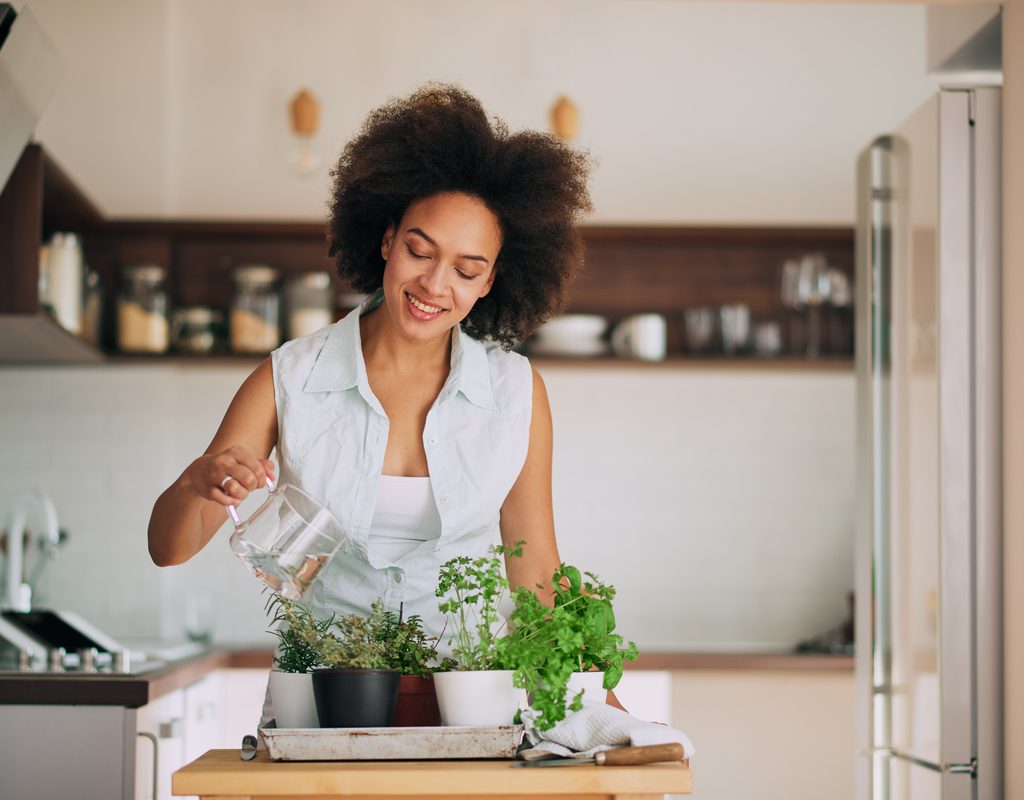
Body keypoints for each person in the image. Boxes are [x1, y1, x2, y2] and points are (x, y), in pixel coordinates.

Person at [147, 83, 593, 698]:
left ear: (491, 281)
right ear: (386, 242)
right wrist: (200, 480)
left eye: (466, 270)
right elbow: (168, 550)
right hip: (324, 700)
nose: (436, 284)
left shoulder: (517, 393)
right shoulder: (290, 377)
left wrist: (604, 707)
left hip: (465, 703)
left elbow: (536, 572)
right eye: (419, 250)